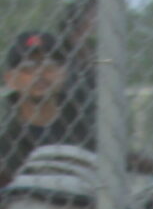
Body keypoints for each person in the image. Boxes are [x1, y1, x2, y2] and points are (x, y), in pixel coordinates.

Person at [1, 32, 94, 186]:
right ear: (10, 79)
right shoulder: (5, 136)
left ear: (63, 74)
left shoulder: (86, 127)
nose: (40, 74)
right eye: (28, 67)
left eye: (49, 66)